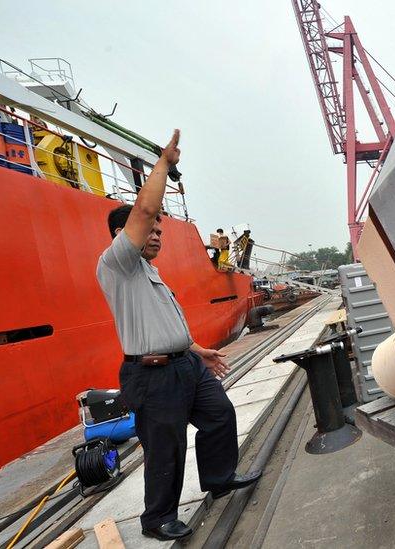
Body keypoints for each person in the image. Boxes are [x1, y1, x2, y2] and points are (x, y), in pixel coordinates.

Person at [96, 130, 260, 541]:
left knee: (219, 415)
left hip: (185, 364)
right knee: (165, 448)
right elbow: (146, 206)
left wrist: (197, 349)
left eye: (160, 231)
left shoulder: (149, 272)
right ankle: (157, 519)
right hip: (151, 377)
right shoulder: (117, 264)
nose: (157, 234)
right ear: (123, 235)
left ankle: (219, 478)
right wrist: (164, 165)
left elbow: (163, 324)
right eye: (150, 229)